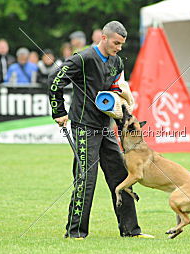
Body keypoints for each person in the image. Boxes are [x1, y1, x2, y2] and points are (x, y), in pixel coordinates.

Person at [48, 21, 153, 239]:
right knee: (87, 177)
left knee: (121, 175)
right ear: (103, 38)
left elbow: (116, 86)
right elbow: (55, 80)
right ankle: (75, 232)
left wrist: (122, 96)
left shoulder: (117, 62)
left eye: (122, 44)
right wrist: (58, 111)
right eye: (116, 43)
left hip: (106, 126)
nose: (119, 48)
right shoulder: (82, 59)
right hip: (84, 125)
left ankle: (131, 231)